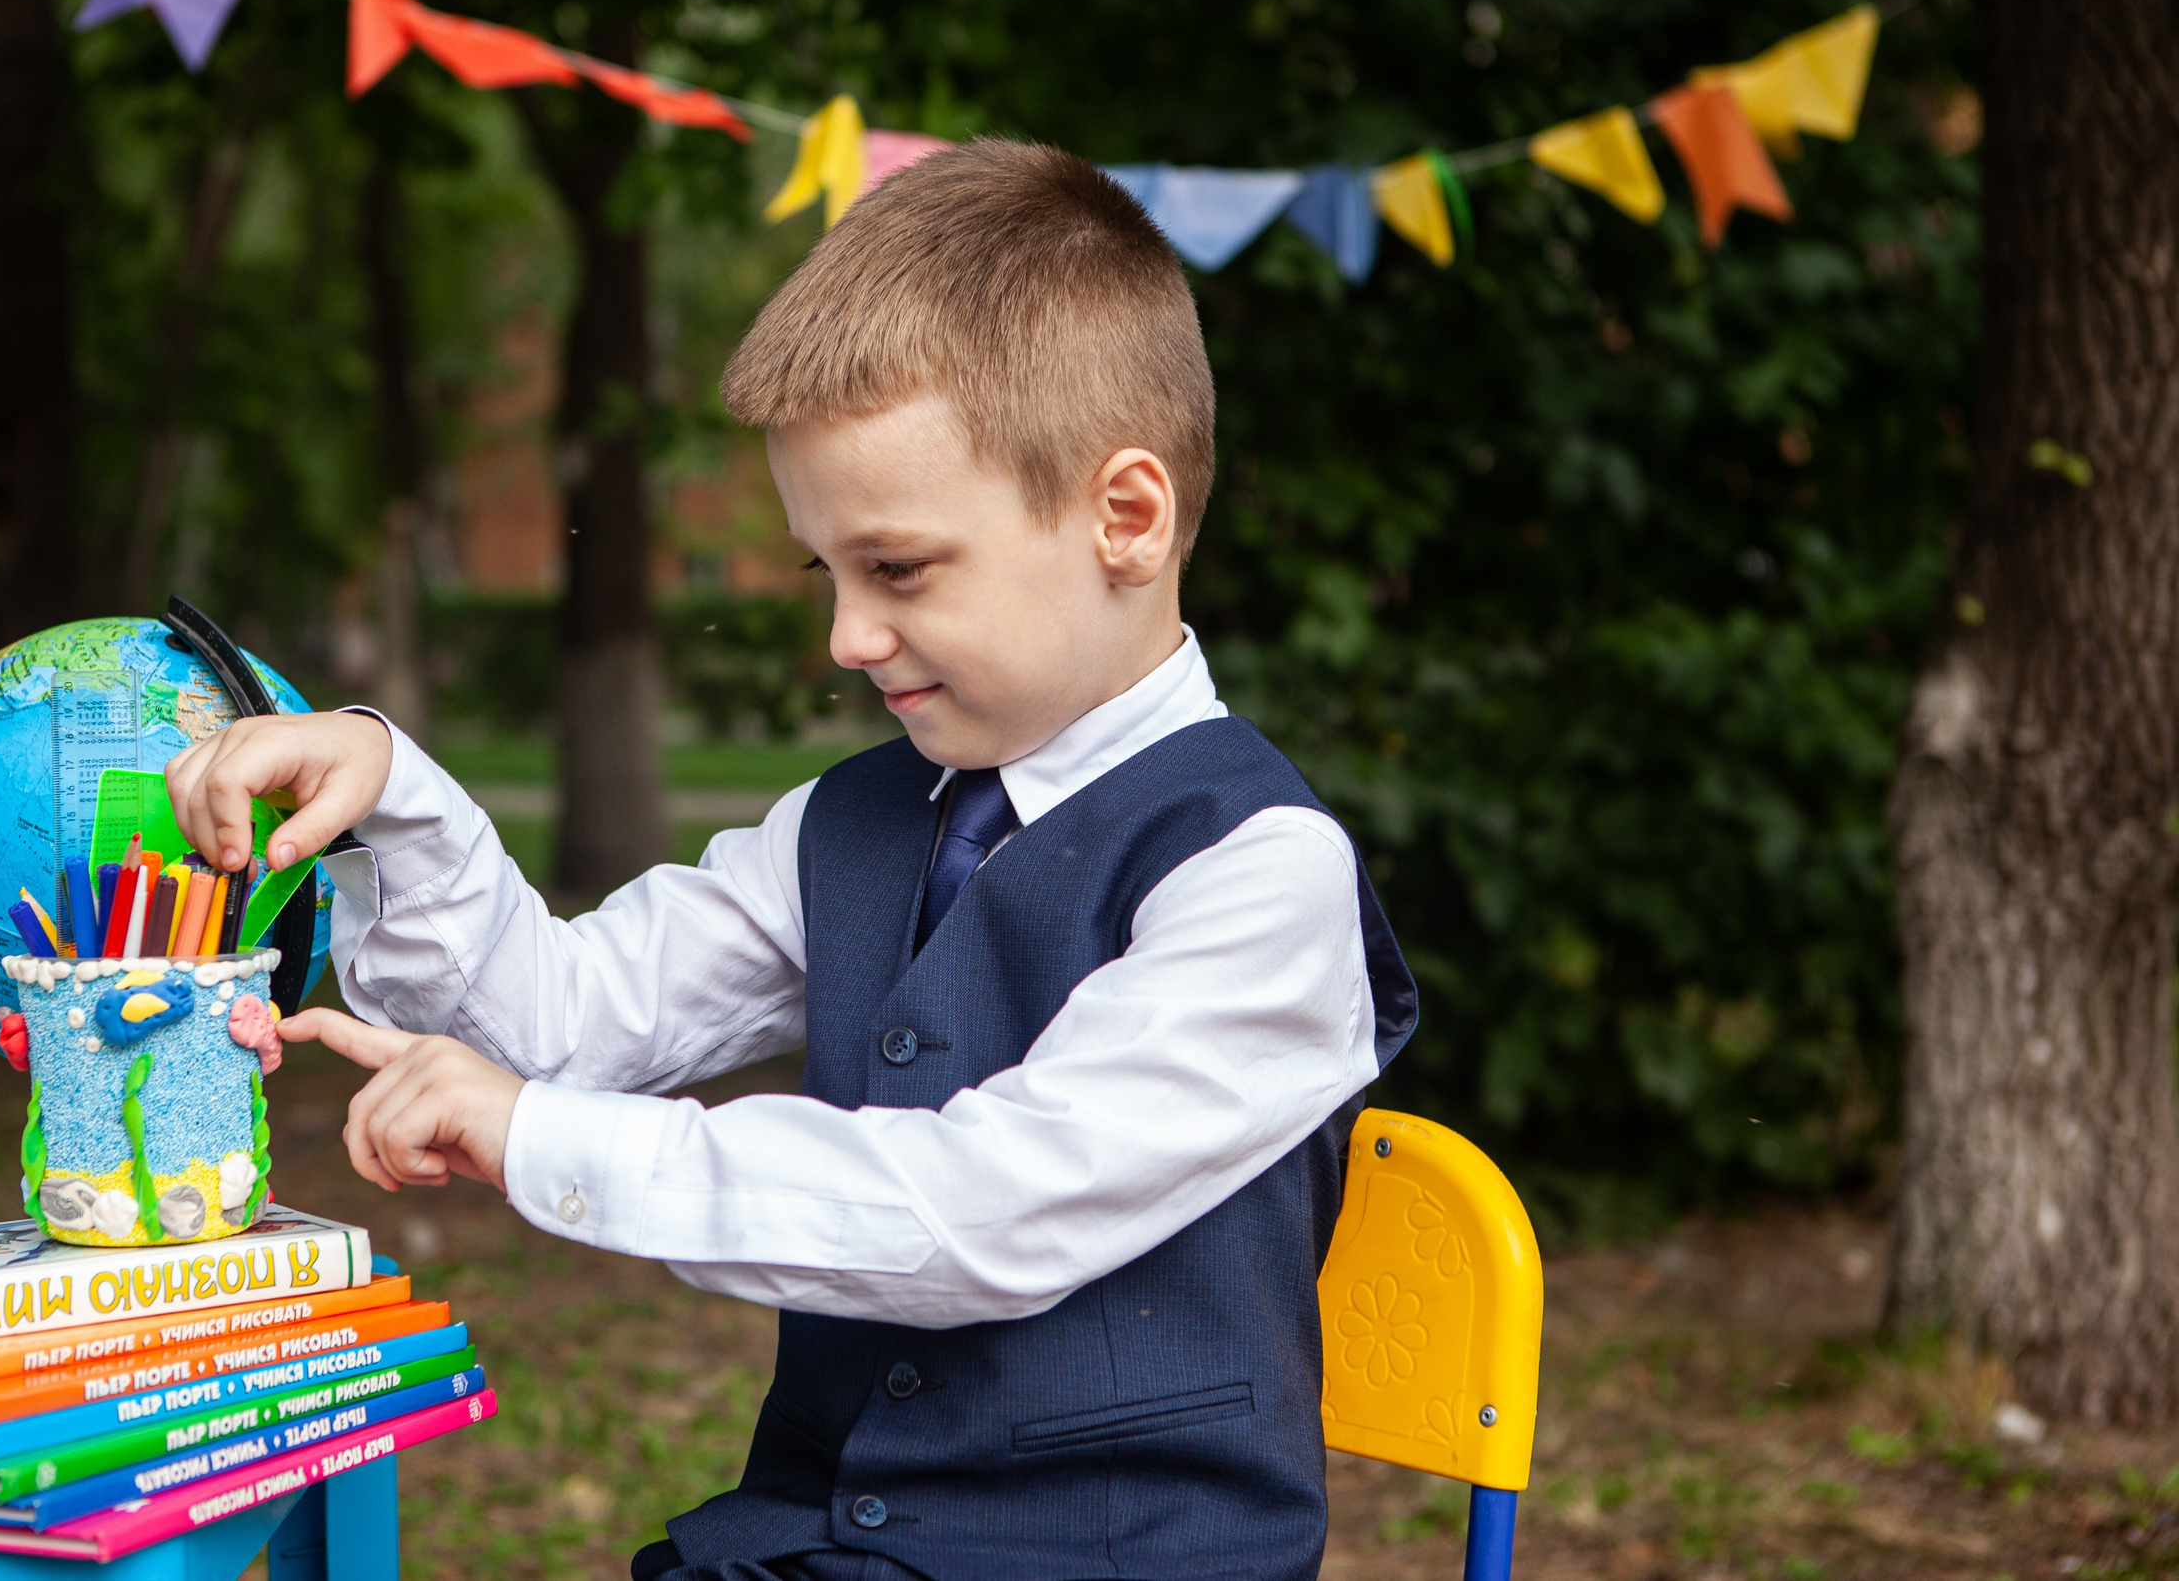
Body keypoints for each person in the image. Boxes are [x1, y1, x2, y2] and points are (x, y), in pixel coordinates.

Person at [167, 139, 1418, 1581]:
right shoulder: (855, 824)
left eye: (897, 570)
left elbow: (969, 1213)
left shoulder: (1259, 874)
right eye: (826, 573)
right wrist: (400, 798)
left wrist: (541, 1136)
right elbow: (566, 1023)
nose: (845, 639)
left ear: (1123, 518)